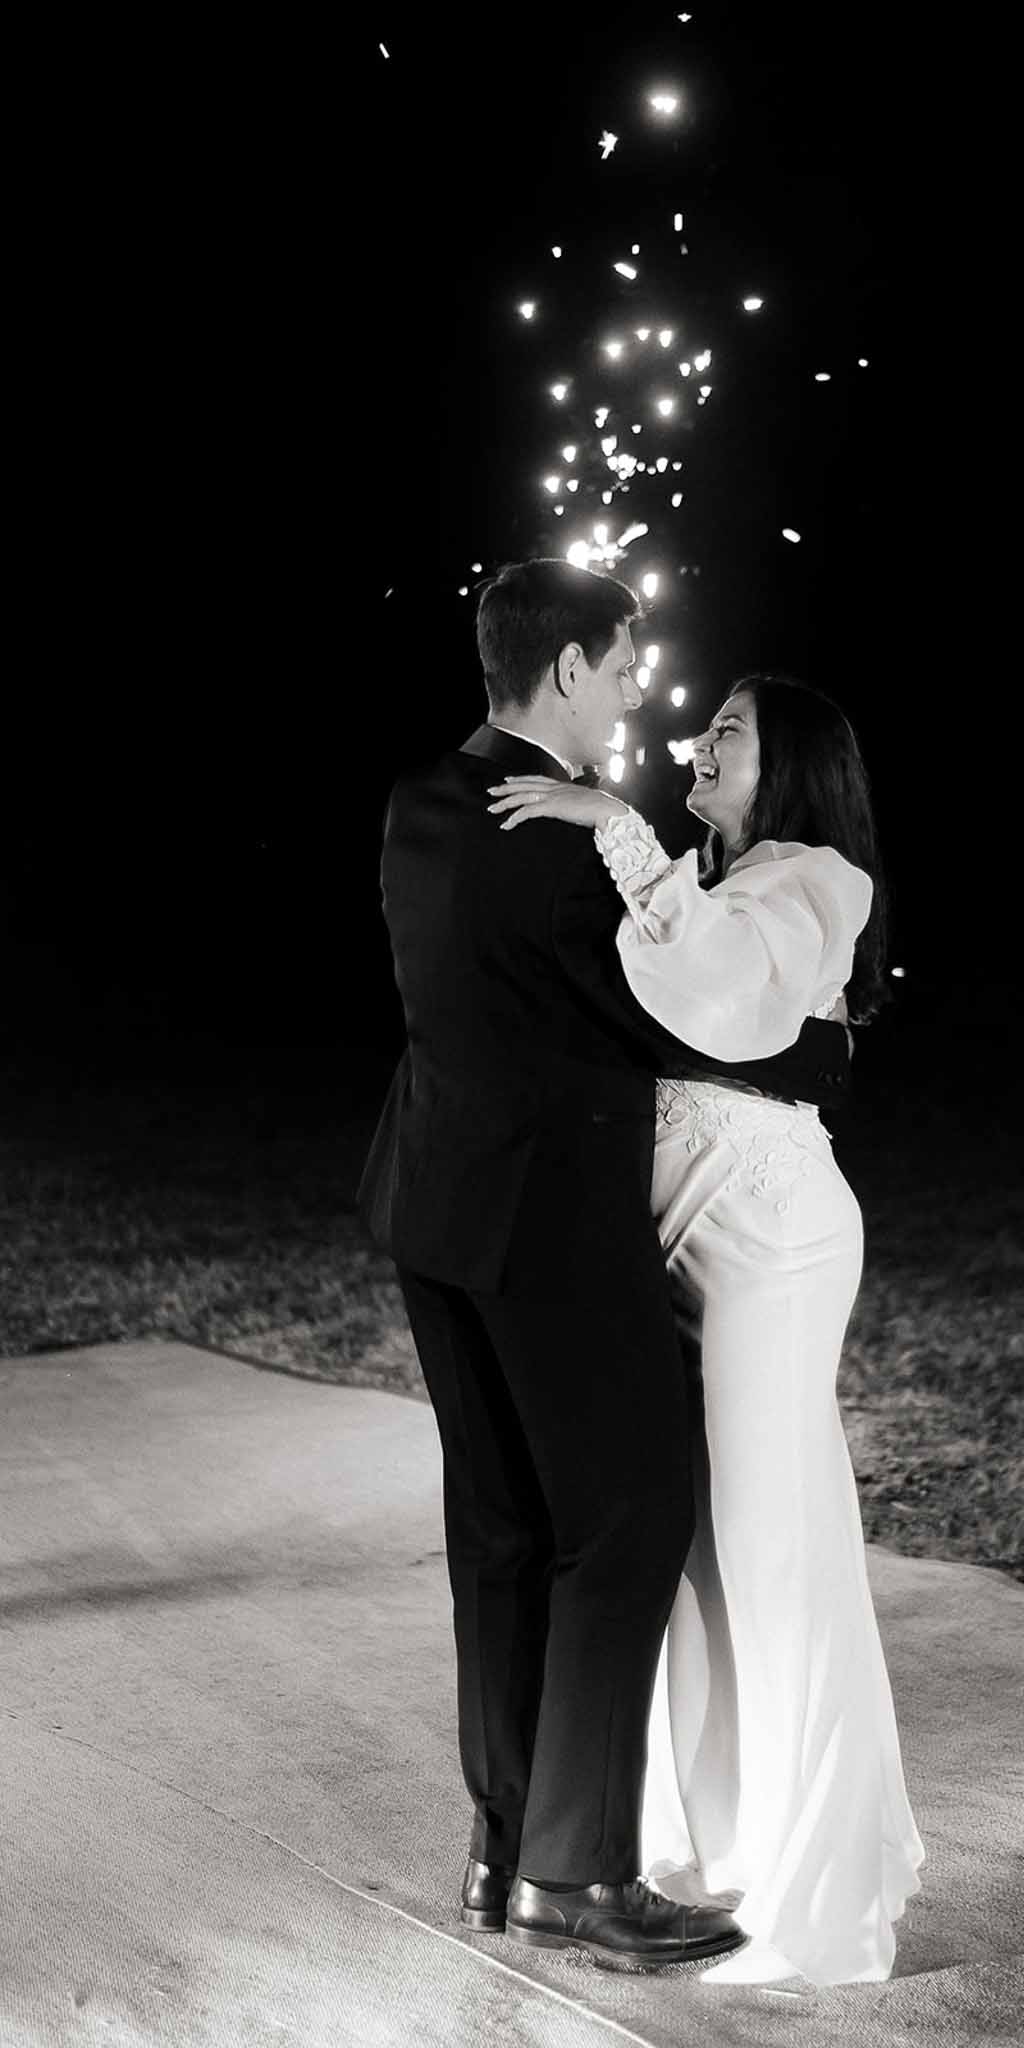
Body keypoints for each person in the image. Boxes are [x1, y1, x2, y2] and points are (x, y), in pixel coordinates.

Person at [357, 560, 854, 1973]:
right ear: (567, 669)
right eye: (625, 666)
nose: (640, 693)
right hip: (552, 1228)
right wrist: (823, 1051)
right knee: (628, 1521)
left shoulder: (419, 803)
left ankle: (502, 1850)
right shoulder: (567, 843)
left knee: (501, 1535)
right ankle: (574, 1877)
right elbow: (676, 1020)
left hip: (431, 1210)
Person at [487, 674, 926, 1983]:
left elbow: (723, 988)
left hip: (769, 1239)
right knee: (688, 1554)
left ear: (790, 763)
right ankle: (717, 1840)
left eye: (728, 727)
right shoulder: (717, 878)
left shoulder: (817, 880)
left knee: (770, 1544)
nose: (700, 738)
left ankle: (811, 1872)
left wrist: (613, 826)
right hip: (676, 1241)